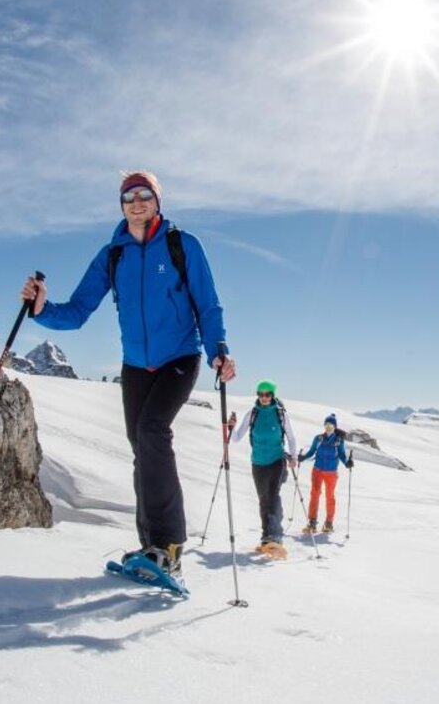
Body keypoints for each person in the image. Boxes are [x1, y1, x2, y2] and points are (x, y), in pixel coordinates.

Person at [20, 170, 236, 577]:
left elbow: (208, 305)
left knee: (153, 431)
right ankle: (149, 548)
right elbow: (79, 311)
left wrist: (218, 351)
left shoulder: (181, 245)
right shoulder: (112, 255)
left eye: (145, 195)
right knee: (141, 448)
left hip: (179, 356)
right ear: (121, 205)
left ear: (157, 201)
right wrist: (42, 309)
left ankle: (170, 546)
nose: (137, 202)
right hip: (135, 365)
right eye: (129, 196)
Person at [227, 380, 297, 558]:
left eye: (267, 394)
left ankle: (275, 535)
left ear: (273, 395)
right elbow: (236, 438)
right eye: (260, 394)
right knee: (263, 499)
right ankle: (267, 537)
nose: (264, 397)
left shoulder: (280, 413)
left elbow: (291, 436)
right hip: (258, 462)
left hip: (277, 459)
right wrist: (231, 427)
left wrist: (293, 456)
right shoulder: (252, 413)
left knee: (272, 496)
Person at [298, 413, 351, 534]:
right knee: (315, 494)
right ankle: (312, 522)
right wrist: (303, 457)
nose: (328, 427)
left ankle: (329, 522)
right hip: (317, 470)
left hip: (331, 473)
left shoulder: (338, 440)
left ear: (335, 427)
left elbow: (342, 455)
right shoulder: (318, 438)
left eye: (331, 425)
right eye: (326, 425)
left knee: (330, 496)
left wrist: (347, 463)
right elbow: (311, 452)